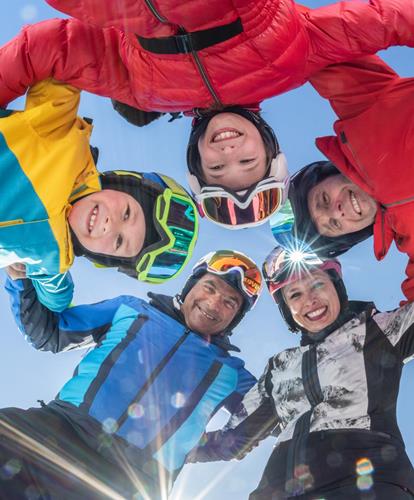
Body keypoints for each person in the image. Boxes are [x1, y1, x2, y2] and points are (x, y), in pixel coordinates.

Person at [1, 1, 414, 228]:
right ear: (268, 146)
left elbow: (47, 49)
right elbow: (389, 19)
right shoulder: (292, 60)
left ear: (196, 159)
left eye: (216, 167)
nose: (229, 152)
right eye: (247, 162)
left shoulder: (146, 93)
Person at [1, 249, 262, 498]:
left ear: (236, 317)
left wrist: (195, 447)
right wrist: (20, 280)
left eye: (230, 302)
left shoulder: (231, 372)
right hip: (57, 432)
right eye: (209, 287)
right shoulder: (131, 310)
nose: (214, 304)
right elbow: (51, 332)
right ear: (190, 286)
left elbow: (269, 414)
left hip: (128, 482)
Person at [187, 247, 414, 499]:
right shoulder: (279, 368)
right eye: (295, 294)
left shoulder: (378, 331)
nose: (309, 300)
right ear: (287, 310)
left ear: (337, 287)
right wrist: (174, 446)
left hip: (368, 484)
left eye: (318, 285)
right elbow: (232, 440)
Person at [0, 78, 198, 312]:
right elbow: (59, 66)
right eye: (126, 213)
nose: (109, 226)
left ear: (102, 257)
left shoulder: (55, 257)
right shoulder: (60, 138)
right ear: (122, 185)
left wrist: (22, 273)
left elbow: (57, 300)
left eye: (118, 242)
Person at [273, 54, 414, 303]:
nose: (337, 212)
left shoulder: (368, 111)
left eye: (324, 199)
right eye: (334, 225)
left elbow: (312, 47)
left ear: (327, 175)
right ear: (353, 234)